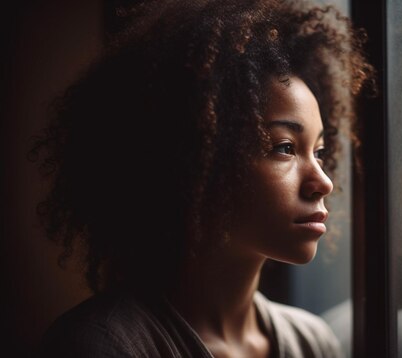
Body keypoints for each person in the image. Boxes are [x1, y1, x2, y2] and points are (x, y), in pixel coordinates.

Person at [31, 0, 373, 356]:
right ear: (196, 158)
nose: (323, 182)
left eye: (318, 152)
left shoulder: (314, 343)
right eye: (285, 148)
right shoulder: (102, 346)